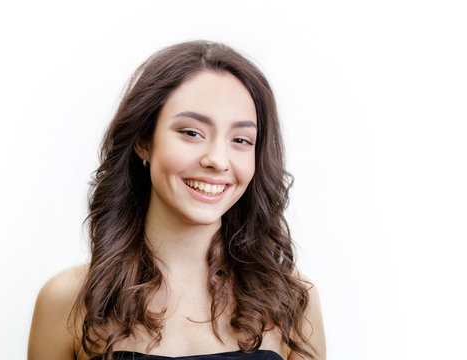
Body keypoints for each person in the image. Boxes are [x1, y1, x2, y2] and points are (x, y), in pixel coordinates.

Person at [28, 40, 325, 360]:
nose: (218, 160)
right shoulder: (67, 299)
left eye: (240, 140)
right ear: (143, 141)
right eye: (191, 132)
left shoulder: (292, 299)